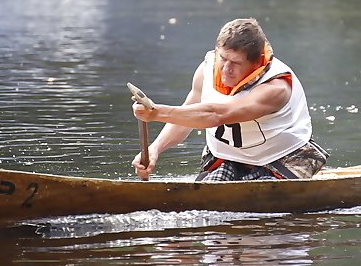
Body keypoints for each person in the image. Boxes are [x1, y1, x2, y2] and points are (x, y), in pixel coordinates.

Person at [131, 18, 328, 181]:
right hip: (227, 157)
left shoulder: (276, 87)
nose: (226, 69)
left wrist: (157, 113)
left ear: (257, 62)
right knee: (208, 197)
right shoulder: (206, 70)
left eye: (235, 63)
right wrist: (154, 149)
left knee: (256, 203)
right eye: (223, 58)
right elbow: (186, 116)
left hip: (281, 159)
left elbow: (218, 114)